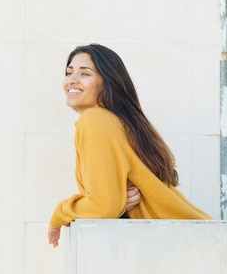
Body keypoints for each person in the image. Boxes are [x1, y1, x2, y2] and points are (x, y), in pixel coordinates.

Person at [48, 44, 211, 247]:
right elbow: (110, 204)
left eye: (84, 74)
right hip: (191, 238)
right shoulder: (118, 121)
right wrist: (117, 204)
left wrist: (60, 213)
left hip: (175, 246)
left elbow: (103, 206)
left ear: (106, 83)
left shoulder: (95, 120)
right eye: (69, 72)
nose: (71, 80)